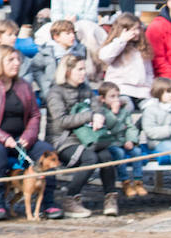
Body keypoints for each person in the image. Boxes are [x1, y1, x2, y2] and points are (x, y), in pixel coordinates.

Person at [0, 44, 60, 220]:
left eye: (18, 59)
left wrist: (28, 136)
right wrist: (4, 138)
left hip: (22, 138)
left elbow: (35, 115)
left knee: (46, 152)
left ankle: (48, 202)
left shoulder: (24, 85)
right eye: (11, 60)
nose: (17, 63)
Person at [46, 55, 118, 217]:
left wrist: (98, 117)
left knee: (106, 155)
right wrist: (89, 116)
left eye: (84, 69)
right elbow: (62, 121)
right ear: (68, 71)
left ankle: (110, 197)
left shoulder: (86, 89)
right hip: (63, 140)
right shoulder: (55, 93)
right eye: (80, 69)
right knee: (90, 158)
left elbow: (97, 108)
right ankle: (71, 198)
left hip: (88, 137)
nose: (83, 73)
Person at [98, 12, 154, 103]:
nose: (137, 32)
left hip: (142, 92)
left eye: (138, 29)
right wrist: (121, 41)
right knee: (126, 105)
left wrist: (149, 89)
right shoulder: (117, 45)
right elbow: (104, 56)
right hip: (122, 90)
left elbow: (148, 72)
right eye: (133, 29)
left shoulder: (142, 48)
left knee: (153, 107)